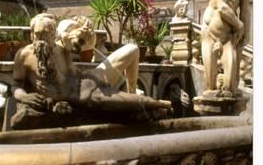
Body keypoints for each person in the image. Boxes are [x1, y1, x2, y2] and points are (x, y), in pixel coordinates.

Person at [11, 14, 171, 128]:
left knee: (132, 55)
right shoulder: (23, 55)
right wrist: (24, 96)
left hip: (84, 88)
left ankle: (152, 101)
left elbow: (79, 44)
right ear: (31, 34)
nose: (41, 38)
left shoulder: (61, 48)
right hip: (75, 96)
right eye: (37, 34)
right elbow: (16, 84)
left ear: (53, 34)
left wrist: (84, 32)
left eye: (45, 34)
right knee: (124, 103)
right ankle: (155, 105)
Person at [201, 0, 252, 97]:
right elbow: (217, 4)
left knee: (231, 88)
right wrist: (239, 25)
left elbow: (244, 10)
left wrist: (246, 35)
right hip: (210, 32)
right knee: (210, 88)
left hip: (230, 36)